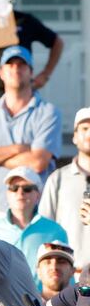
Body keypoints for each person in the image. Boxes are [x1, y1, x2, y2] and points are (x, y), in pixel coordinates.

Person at [0, 46, 62, 220]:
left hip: (31, 211)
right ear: (1, 72)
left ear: (31, 72)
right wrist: (18, 149)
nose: (16, 68)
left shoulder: (48, 112)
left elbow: (37, 162)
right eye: (10, 64)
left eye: (22, 64)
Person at [0, 166, 67, 285]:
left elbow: (66, 273)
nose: (20, 192)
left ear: (37, 195)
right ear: (7, 193)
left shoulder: (56, 231)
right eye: (14, 188)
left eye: (27, 188)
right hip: (2, 299)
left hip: (42, 301)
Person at [40, 108, 90, 271]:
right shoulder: (58, 179)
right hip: (67, 275)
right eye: (84, 128)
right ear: (74, 136)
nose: (89, 134)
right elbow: (45, 228)